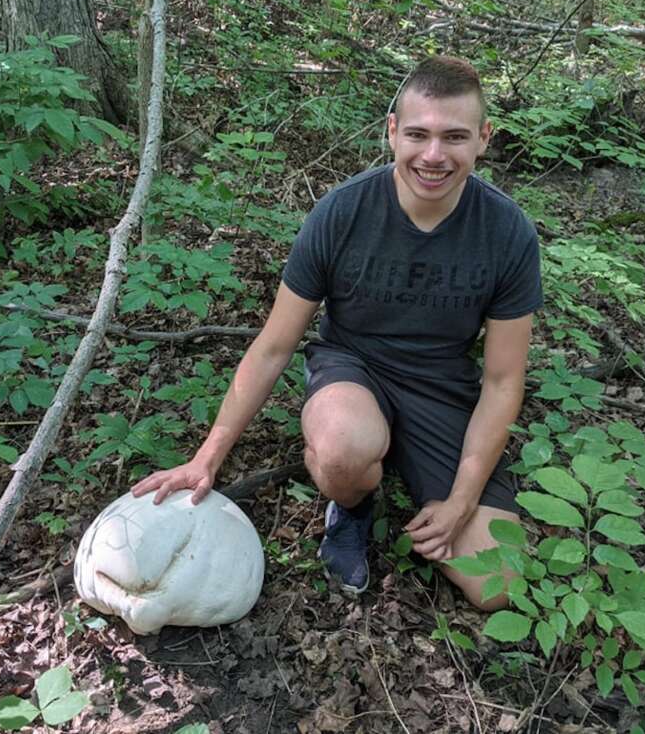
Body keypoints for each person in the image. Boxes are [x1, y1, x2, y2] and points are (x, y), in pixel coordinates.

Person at [131, 56, 542, 610]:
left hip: (443, 387)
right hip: (353, 370)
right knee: (346, 451)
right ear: (392, 131)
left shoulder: (507, 230)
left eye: (455, 137)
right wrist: (208, 456)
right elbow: (275, 346)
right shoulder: (343, 212)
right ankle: (352, 505)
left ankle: (411, 461)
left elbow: (501, 380)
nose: (434, 155)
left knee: (500, 588)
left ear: (484, 139)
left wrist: (462, 502)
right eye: (417, 133)